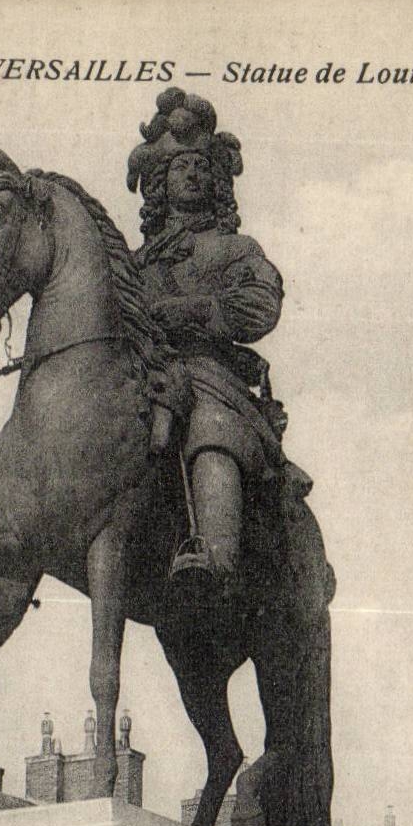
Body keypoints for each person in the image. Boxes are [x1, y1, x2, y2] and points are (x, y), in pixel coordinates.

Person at [127, 89, 288, 607]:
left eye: (200, 165)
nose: (192, 174)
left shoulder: (237, 249)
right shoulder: (133, 263)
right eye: (180, 166)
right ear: (160, 180)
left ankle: (213, 567)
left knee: (210, 429)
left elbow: (261, 304)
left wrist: (195, 310)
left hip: (210, 380)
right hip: (141, 377)